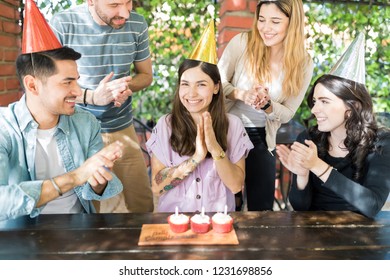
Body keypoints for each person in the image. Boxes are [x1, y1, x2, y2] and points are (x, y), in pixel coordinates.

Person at [0, 0, 123, 221]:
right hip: (20, 236)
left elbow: (92, 192)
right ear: (32, 85)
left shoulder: (86, 123)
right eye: (67, 83)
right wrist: (75, 176)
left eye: (77, 81)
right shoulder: (4, 128)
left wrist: (99, 176)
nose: (78, 91)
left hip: (77, 227)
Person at [50, 0, 154, 213]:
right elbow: (51, 86)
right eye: (114, 4)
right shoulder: (63, 24)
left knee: (143, 203)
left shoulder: (138, 23)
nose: (125, 12)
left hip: (122, 129)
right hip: (78, 132)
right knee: (88, 208)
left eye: (128, 2)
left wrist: (124, 86)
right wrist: (92, 97)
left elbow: (146, 76)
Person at [276, 33, 390, 218]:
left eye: (324, 101)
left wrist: (317, 165)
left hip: (359, 236)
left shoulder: (381, 143)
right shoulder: (308, 139)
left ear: (353, 107)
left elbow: (372, 205)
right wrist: (302, 175)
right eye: (314, 101)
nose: (314, 110)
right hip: (314, 235)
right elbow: (300, 209)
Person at [146, 21, 254, 212]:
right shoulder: (165, 125)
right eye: (185, 84)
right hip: (175, 222)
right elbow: (157, 187)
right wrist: (195, 158)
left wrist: (215, 148)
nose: (191, 93)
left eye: (201, 84)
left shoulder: (233, 125)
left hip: (217, 224)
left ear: (216, 87)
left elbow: (236, 185)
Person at [217, 0, 314, 211]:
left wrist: (268, 105)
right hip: (226, 131)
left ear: (292, 23)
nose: (265, 28)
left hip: (262, 137)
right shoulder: (242, 42)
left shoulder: (303, 63)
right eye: (261, 20)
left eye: (275, 21)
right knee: (225, 205)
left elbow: (287, 113)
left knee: (262, 210)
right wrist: (242, 94)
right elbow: (217, 84)